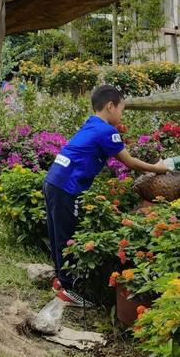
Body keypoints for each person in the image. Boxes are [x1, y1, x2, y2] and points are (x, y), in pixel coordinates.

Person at [43, 84, 169, 308]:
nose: (121, 115)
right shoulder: (106, 131)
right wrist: (158, 168)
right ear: (110, 106)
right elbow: (128, 162)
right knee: (67, 235)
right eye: (121, 109)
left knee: (56, 232)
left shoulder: (92, 123)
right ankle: (69, 289)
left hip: (54, 180)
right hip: (66, 186)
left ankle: (60, 281)